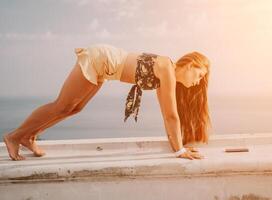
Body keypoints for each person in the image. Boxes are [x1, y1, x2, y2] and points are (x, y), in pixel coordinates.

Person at [2, 43, 212, 161]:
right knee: (62, 105)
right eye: (199, 75)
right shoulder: (166, 67)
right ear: (191, 64)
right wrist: (179, 151)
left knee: (74, 108)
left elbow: (166, 115)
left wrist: (178, 146)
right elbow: (171, 115)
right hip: (100, 59)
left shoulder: (166, 76)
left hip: (105, 68)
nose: (197, 82)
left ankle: (29, 137)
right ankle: (14, 136)